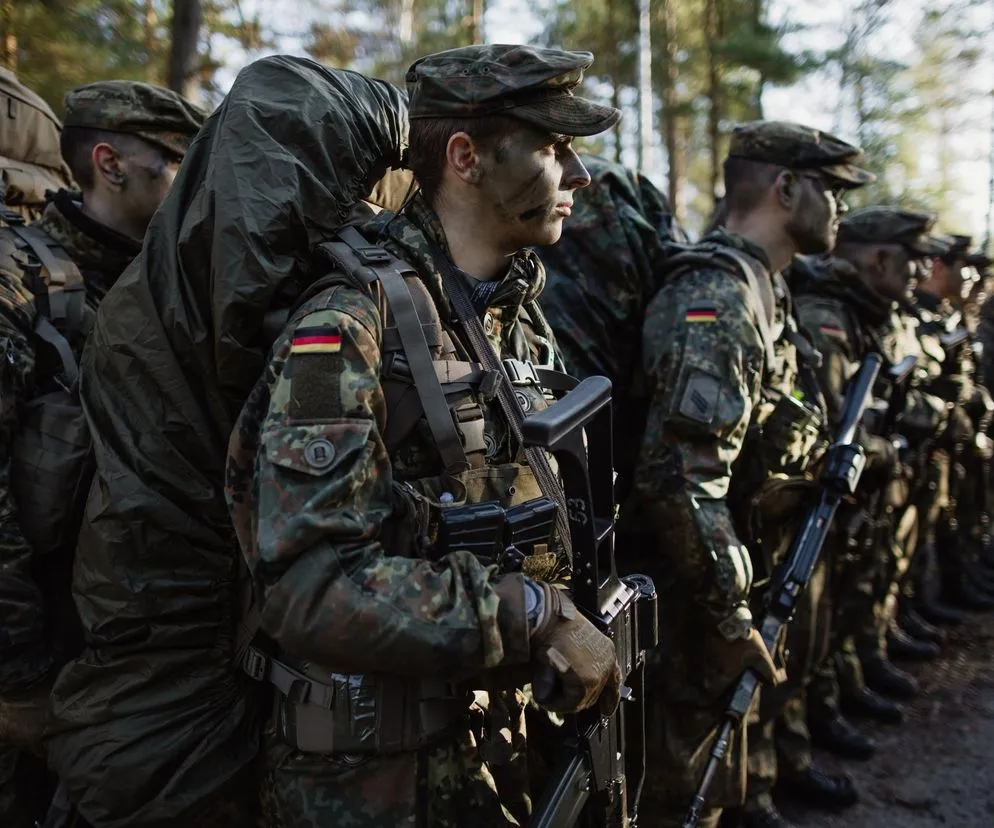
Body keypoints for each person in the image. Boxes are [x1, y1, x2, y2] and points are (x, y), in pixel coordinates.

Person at [224, 44, 622, 827]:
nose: (577, 175)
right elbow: (310, 588)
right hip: (368, 789)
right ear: (466, 157)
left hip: (480, 750)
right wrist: (530, 614)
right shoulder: (342, 330)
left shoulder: (507, 315)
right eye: (552, 147)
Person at [619, 120, 873, 828]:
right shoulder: (719, 298)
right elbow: (679, 481)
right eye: (832, 189)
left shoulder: (768, 288)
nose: (841, 209)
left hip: (730, 570)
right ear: (787, 188)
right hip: (690, 594)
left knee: (714, 774)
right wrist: (730, 616)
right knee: (680, 789)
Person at [0, 80, 204, 828]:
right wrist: (18, 680)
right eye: (178, 162)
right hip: (35, 659)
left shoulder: (172, 285)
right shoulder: (19, 287)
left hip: (131, 669)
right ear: (112, 163)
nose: (195, 186)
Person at [791, 208, 950, 757]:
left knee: (848, 604)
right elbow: (831, 438)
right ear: (880, 258)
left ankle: (839, 696)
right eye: (913, 259)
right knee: (807, 630)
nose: (922, 271)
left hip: (858, 500)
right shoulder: (826, 318)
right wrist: (894, 446)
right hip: (817, 507)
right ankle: (798, 741)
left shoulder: (866, 312)